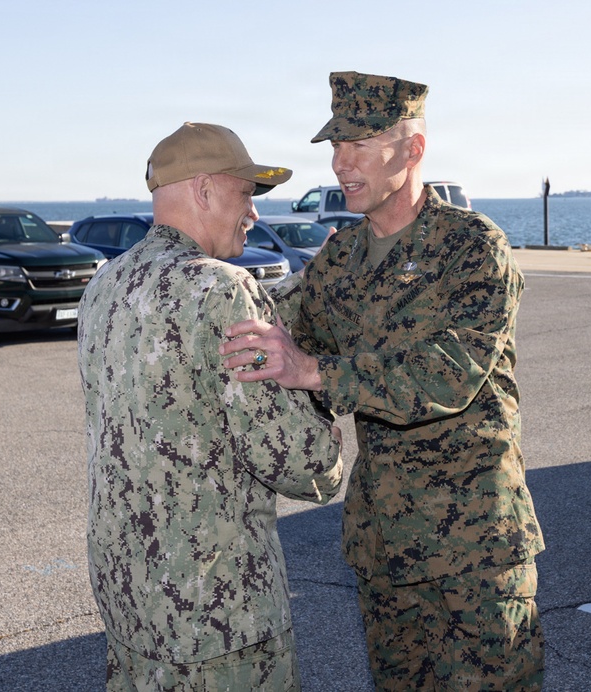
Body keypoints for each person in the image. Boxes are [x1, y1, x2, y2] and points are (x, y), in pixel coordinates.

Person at [220, 72, 546, 690]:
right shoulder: (339, 259)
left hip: (472, 549)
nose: (341, 164)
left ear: (412, 150)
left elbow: (450, 373)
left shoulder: (472, 248)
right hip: (384, 545)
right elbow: (277, 323)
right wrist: (187, 282)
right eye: (335, 148)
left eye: (359, 146)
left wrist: (313, 371)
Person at [78, 121, 343, 691]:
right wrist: (319, 388)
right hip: (218, 616)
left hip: (132, 603)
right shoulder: (221, 287)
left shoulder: (105, 285)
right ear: (202, 191)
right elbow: (306, 467)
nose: (253, 213)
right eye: (246, 193)